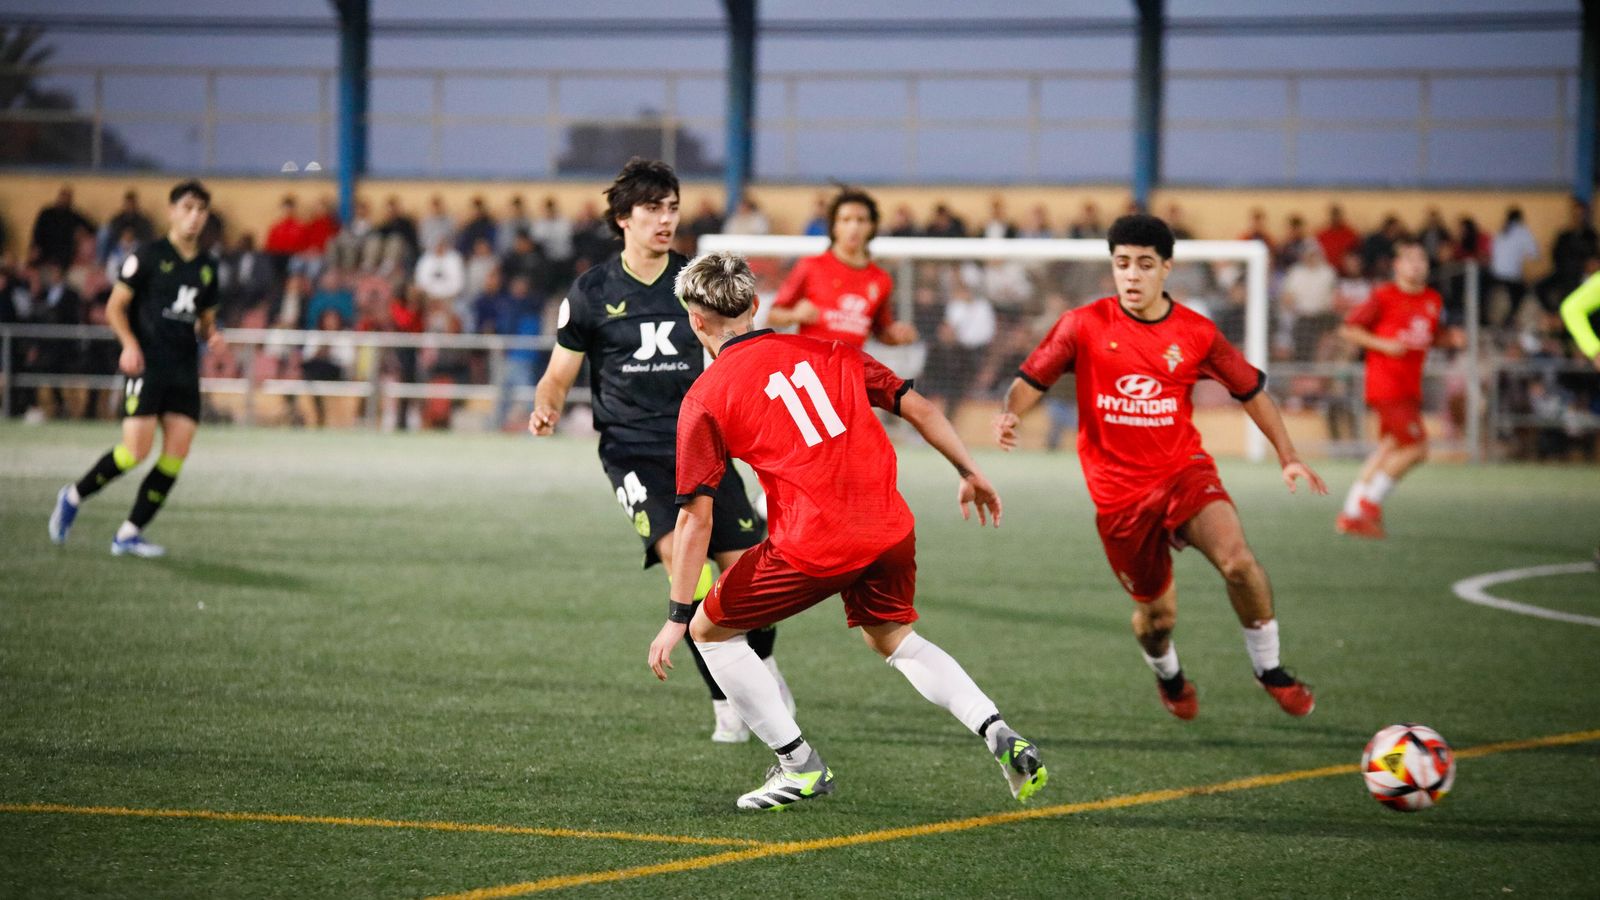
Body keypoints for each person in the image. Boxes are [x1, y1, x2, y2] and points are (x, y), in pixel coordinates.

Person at [648, 250, 1047, 811]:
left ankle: (799, 766)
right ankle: (997, 730)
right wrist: (969, 471)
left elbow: (695, 518)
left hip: (813, 543)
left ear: (695, 321)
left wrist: (676, 618)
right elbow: (921, 408)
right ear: (757, 306)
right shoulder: (830, 350)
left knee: (711, 632)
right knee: (893, 637)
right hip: (888, 528)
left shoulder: (705, 397)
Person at [994, 214, 1325, 721]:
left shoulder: (1195, 333)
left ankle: (1270, 670)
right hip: (1119, 498)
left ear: (1166, 268)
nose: (1131, 275)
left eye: (1144, 265)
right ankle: (1169, 675)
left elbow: (1252, 393)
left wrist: (1289, 455)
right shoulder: (1082, 325)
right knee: (1157, 618)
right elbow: (1029, 381)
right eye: (1122, 264)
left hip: (1183, 472)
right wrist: (1011, 414)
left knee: (1237, 561)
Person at [529, 159, 787, 743]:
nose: (665, 219)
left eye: (672, 208)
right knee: (686, 569)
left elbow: (740, 351)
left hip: (703, 442)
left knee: (751, 580)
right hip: (633, 450)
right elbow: (558, 373)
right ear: (623, 218)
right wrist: (546, 404)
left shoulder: (696, 282)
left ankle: (760, 668)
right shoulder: (592, 291)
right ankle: (727, 699)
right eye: (652, 209)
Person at [48, 180, 223, 557]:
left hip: (183, 370)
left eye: (201, 210)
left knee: (176, 453)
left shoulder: (208, 267)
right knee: (135, 452)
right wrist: (129, 344)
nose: (195, 217)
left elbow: (205, 320)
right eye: (188, 208)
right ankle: (73, 496)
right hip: (147, 365)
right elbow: (115, 306)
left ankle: (128, 533)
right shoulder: (148, 254)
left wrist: (213, 336)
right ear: (173, 211)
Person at [1335, 240, 1447, 538]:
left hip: (1410, 387)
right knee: (1418, 449)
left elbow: (1427, 337)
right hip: (1387, 385)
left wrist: (1452, 340)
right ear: (1397, 266)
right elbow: (1348, 328)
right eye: (1409, 259)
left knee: (1389, 448)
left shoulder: (1433, 300)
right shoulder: (1383, 296)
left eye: (1421, 259)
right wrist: (1383, 344)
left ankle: (1350, 514)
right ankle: (1369, 503)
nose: (1416, 265)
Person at [767, 188, 917, 348]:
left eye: (861, 220)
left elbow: (881, 331)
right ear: (834, 226)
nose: (853, 227)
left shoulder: (880, 279)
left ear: (872, 227)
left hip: (851, 369)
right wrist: (794, 315)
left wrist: (897, 335)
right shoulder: (811, 265)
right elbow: (773, 315)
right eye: (846, 220)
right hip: (812, 367)